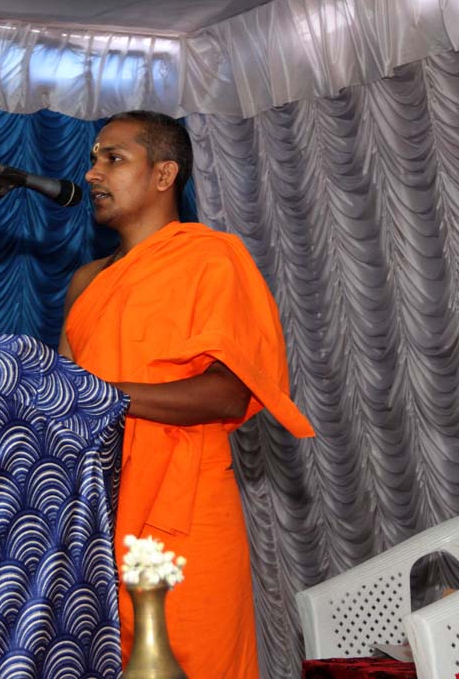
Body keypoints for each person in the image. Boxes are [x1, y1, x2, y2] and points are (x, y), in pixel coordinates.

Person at [59, 110, 314, 678]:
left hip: (186, 512)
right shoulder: (86, 282)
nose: (93, 173)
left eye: (113, 159)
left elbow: (229, 394)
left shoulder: (211, 258)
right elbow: (63, 400)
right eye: (94, 159)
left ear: (163, 174)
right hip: (96, 510)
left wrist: (103, 394)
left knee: (198, 661)